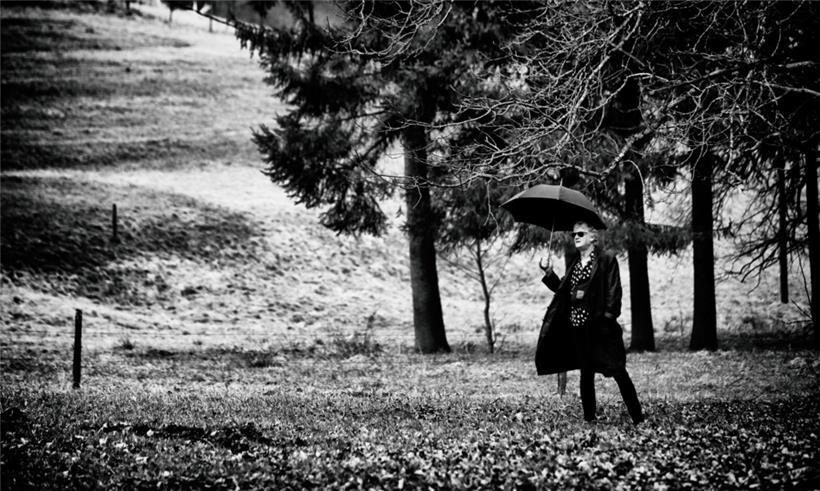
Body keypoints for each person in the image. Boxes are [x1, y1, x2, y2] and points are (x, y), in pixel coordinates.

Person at [535, 220, 644, 425]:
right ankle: (589, 420)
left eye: (581, 234)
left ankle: (638, 418)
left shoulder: (606, 260)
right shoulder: (576, 264)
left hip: (601, 330)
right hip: (579, 330)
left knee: (619, 371)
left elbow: (614, 293)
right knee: (586, 375)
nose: (575, 237)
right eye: (574, 234)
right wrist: (548, 273)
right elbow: (564, 293)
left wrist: (607, 320)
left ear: (593, 237)